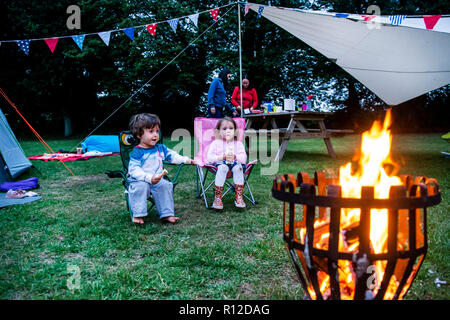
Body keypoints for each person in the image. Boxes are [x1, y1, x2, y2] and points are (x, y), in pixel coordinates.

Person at [127, 113, 195, 224]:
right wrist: (149, 178)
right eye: (151, 131)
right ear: (139, 135)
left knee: (165, 185)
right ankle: (138, 214)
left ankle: (166, 214)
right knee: (141, 187)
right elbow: (134, 170)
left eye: (157, 131)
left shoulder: (160, 148)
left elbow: (173, 156)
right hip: (140, 180)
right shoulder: (137, 152)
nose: (155, 135)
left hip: (158, 179)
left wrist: (186, 160)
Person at [206, 117, 247, 209]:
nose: (227, 131)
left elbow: (244, 159)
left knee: (239, 168)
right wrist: (221, 157)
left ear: (235, 131)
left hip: (235, 164)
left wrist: (236, 157)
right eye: (224, 129)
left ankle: (239, 196)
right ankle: (217, 198)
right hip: (220, 165)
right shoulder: (215, 143)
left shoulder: (238, 144)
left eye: (231, 128)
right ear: (218, 131)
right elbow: (209, 158)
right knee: (223, 167)